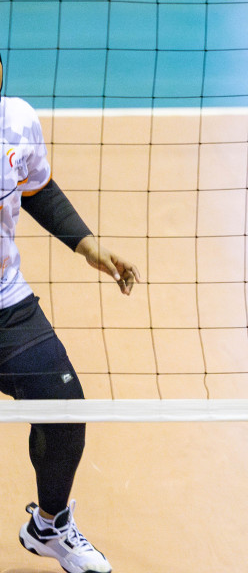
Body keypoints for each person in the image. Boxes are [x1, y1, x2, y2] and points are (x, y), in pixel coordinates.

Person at [1, 51, 140, 573]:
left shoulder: (16, 121)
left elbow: (36, 188)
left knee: (63, 409)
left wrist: (87, 244)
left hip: (6, 305)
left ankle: (49, 526)